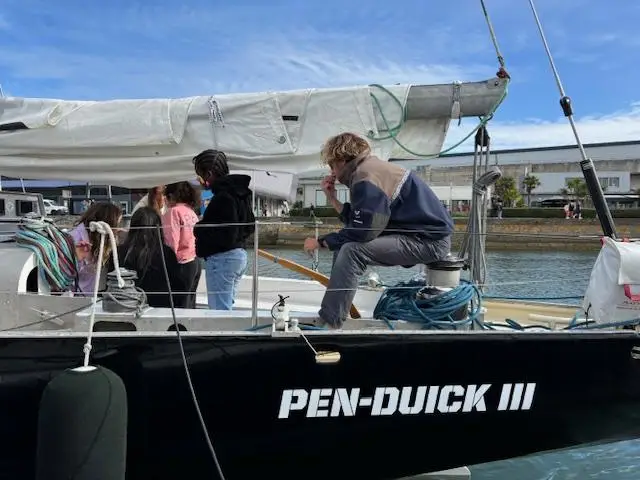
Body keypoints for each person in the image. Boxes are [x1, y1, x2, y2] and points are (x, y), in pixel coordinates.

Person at [303, 132, 454, 329]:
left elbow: (364, 232)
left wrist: (320, 242)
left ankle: (330, 324)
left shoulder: (366, 176)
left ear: (340, 159)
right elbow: (362, 221)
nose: (331, 171)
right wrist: (331, 198)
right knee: (344, 248)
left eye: (331, 164)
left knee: (351, 250)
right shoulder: (370, 169)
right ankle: (337, 311)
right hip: (421, 236)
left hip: (429, 241)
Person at [192, 149, 255, 310]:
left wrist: (198, 228)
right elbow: (249, 226)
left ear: (209, 174)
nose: (200, 180)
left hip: (222, 259)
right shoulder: (240, 193)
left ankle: (222, 336)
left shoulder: (222, 198)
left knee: (219, 310)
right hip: (239, 256)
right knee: (227, 306)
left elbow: (225, 234)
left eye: (200, 175)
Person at [117, 206, 187, 308]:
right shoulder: (166, 253)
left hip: (126, 305)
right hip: (161, 306)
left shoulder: (119, 252)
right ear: (158, 228)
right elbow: (179, 288)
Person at [69, 201, 123, 296]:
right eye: (116, 226)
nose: (117, 229)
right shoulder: (74, 240)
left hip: (90, 295)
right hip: (75, 298)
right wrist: (77, 259)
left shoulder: (97, 239)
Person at [162, 181, 202, 308]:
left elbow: (171, 241)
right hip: (195, 261)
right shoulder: (191, 212)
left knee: (178, 305)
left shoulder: (173, 212)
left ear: (171, 196)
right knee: (189, 303)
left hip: (180, 263)